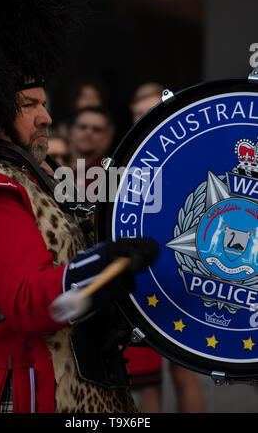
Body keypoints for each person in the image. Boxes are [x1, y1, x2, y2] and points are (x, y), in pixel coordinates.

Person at [0, 0, 159, 413]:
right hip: (23, 388)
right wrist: (105, 263)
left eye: (44, 104)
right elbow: (29, 303)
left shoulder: (35, 176)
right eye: (29, 105)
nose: (46, 117)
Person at [126, 83, 206, 413]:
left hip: (182, 274)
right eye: (136, 113)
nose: (142, 118)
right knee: (146, 380)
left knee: (185, 371)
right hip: (143, 279)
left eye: (149, 109)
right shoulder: (129, 156)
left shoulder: (192, 153)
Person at [69, 106, 115, 193]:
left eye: (96, 129)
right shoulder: (53, 166)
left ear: (107, 136)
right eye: (82, 127)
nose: (88, 133)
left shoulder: (110, 175)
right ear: (71, 131)